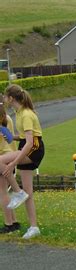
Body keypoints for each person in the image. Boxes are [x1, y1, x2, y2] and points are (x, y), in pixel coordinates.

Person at [1, 84, 45, 239]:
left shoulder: (25, 114)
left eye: (5, 97)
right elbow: (25, 137)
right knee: (29, 193)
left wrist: (13, 163)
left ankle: (17, 191)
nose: (4, 99)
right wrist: (13, 137)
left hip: (33, 149)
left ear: (11, 98)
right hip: (28, 146)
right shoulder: (18, 112)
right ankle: (34, 227)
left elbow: (30, 142)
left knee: (0, 161)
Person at [0, 96, 20, 234]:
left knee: (2, 192)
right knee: (5, 191)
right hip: (11, 155)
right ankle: (13, 221)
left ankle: (8, 224)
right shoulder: (8, 118)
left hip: (2, 157)